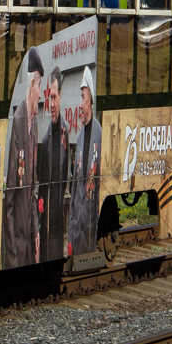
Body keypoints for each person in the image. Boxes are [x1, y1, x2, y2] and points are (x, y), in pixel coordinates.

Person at [2, 47, 43, 268]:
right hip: (17, 250)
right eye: (39, 87)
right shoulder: (19, 122)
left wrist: (35, 235)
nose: (41, 94)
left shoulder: (33, 124)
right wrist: (12, 258)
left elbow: (32, 189)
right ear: (31, 86)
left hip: (28, 245)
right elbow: (9, 201)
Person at [68, 68, 102, 256]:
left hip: (90, 227)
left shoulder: (99, 134)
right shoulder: (80, 137)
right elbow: (74, 190)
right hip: (78, 228)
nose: (80, 104)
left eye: (83, 97)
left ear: (90, 100)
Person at [38, 66, 70, 261]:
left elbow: (67, 174)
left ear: (60, 97)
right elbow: (41, 180)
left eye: (54, 97)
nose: (51, 103)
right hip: (45, 224)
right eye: (49, 97)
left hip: (58, 225)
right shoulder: (46, 139)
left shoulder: (66, 132)